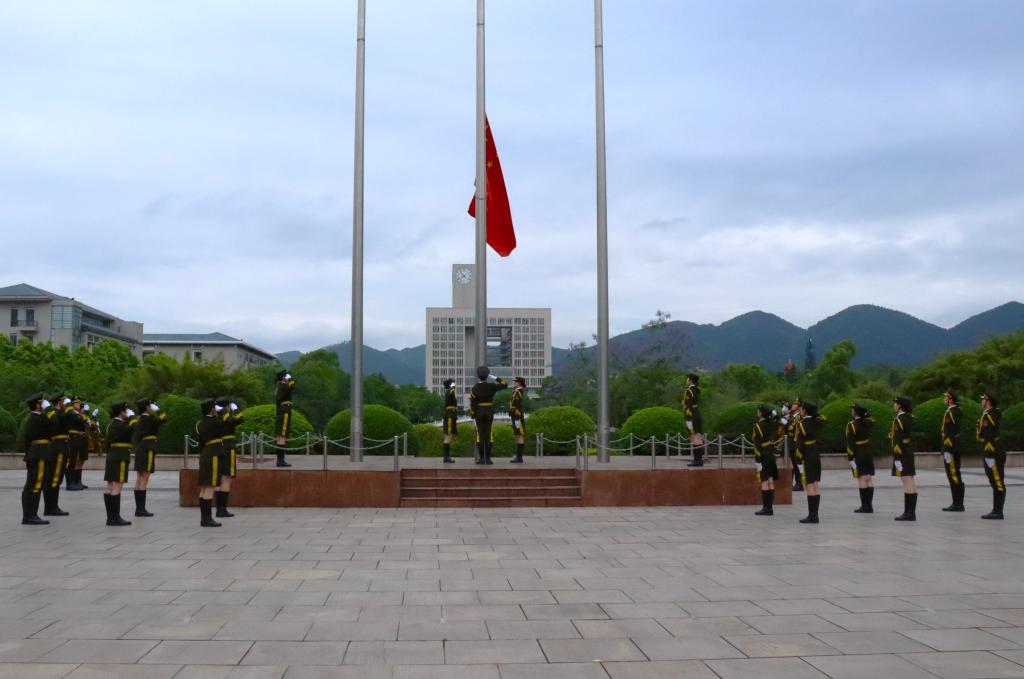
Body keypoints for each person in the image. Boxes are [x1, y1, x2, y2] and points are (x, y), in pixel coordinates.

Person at [132, 398, 166, 517]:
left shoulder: (139, 419)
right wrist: (160, 410)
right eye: (150, 406)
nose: (151, 408)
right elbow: (163, 418)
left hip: (140, 449)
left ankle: (139, 509)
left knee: (139, 479)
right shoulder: (150, 419)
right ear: (146, 408)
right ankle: (141, 509)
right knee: (144, 479)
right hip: (148, 449)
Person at [20, 394, 51, 525]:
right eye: (41, 403)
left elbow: (26, 441)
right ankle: (31, 515)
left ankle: (29, 515)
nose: (43, 405)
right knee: (36, 485)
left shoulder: (32, 418)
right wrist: (49, 410)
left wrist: (28, 456)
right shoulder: (38, 418)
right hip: (39, 454)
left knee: (31, 485)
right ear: (37, 405)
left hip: (35, 453)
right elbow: (53, 426)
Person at [795, 399, 826, 524]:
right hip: (815, 451)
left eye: (801, 408)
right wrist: (814, 413)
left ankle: (812, 516)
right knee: (815, 484)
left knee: (809, 485)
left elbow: (800, 444)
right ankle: (815, 514)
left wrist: (798, 460)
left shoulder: (802, 424)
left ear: (805, 410)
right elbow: (824, 419)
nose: (800, 410)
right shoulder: (817, 421)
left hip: (807, 453)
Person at [103, 402, 134, 526]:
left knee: (110, 485)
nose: (127, 413)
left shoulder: (111, 424)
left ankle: (110, 518)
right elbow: (135, 428)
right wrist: (132, 417)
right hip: (120, 456)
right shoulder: (122, 425)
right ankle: (115, 517)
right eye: (125, 411)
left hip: (111, 456)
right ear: (121, 412)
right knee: (117, 485)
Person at [469, 365, 507, 465]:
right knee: (488, 434)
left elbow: (473, 404)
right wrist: (494, 377)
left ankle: (482, 458)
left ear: (478, 376)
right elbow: (505, 384)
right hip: (489, 410)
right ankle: (488, 458)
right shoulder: (492, 386)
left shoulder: (474, 388)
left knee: (480, 435)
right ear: (487, 376)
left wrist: (473, 415)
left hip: (479, 412)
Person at [196, 399, 225, 527]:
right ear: (211, 409)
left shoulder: (201, 422)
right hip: (213, 455)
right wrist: (223, 411)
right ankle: (207, 519)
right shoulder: (213, 422)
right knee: (210, 487)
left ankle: (204, 519)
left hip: (205, 454)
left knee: (204, 487)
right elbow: (225, 423)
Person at [978, 391, 1005, 520]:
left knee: (997, 481)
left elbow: (989, 436)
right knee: (995, 481)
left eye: (983, 399)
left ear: (988, 401)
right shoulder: (991, 414)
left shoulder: (989, 416)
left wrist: (989, 454)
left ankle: (998, 511)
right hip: (994, 451)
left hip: (992, 452)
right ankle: (996, 510)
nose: (982, 401)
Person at [43, 393, 71, 517]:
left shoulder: (57, 414)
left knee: (54, 478)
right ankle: (51, 507)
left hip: (58, 447)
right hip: (58, 448)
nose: (66, 404)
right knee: (55, 478)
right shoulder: (55, 415)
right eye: (64, 401)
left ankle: (51, 507)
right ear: (59, 402)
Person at [890, 396, 917, 522]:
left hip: (902, 452)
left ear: (900, 405)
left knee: (906, 479)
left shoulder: (900, 419)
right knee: (910, 479)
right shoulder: (909, 417)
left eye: (895, 403)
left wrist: (897, 454)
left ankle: (909, 513)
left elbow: (897, 438)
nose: (894, 405)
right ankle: (910, 512)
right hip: (908, 450)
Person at [215, 397, 243, 518]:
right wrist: (235, 409)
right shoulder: (228, 419)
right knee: (226, 477)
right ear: (227, 407)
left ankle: (218, 508)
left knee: (219, 478)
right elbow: (240, 418)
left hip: (217, 447)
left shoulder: (215, 419)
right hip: (228, 447)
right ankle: (222, 509)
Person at [846, 403, 876, 513]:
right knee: (869, 478)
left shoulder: (852, 425)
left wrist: (850, 457)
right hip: (868, 451)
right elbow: (872, 419)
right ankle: (869, 506)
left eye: (853, 410)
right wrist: (865, 413)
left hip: (859, 452)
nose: (851, 411)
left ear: (855, 412)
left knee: (862, 478)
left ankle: (865, 506)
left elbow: (850, 443)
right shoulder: (868, 421)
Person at [941, 389, 966, 512]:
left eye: (946, 397)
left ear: (950, 399)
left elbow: (949, 431)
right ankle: (957, 503)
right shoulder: (954, 411)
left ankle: (958, 504)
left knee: (953, 474)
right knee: (954, 474)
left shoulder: (952, 412)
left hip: (951, 448)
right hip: (953, 446)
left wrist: (947, 448)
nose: (944, 399)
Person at [752, 405, 779, 516]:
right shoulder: (773, 423)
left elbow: (757, 444)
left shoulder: (758, 425)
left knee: (764, 481)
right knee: (770, 481)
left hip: (763, 454)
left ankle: (766, 508)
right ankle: (770, 507)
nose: (757, 412)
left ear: (761, 413)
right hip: (771, 453)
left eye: (759, 411)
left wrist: (757, 460)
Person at [65, 397, 89, 491]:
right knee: (72, 461)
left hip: (80, 438)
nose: (79, 405)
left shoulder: (78, 414)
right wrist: (85, 421)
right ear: (72, 404)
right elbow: (81, 422)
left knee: (79, 460)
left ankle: (77, 481)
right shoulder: (71, 413)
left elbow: (85, 424)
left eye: (79, 403)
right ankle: (70, 483)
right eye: (77, 403)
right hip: (73, 438)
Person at [683, 374, 705, 467]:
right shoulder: (696, 389)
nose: (686, 380)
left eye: (687, 378)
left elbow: (688, 405)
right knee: (697, 437)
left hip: (692, 415)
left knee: (695, 437)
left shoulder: (689, 390)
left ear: (690, 380)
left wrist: (687, 417)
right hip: (696, 413)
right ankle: (698, 459)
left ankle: (697, 460)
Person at [274, 369, 295, 467]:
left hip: (281, 410)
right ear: (283, 377)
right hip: (285, 411)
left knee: (280, 436)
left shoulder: (280, 386)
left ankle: (280, 460)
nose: (287, 376)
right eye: (285, 375)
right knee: (282, 436)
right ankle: (280, 461)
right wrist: (290, 379)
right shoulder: (283, 385)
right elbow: (292, 386)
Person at [782, 402, 803, 491]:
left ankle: (799, 483)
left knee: (796, 464)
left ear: (798, 407)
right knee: (793, 464)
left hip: (795, 443)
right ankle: (790, 482)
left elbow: (793, 428)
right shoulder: (791, 416)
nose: (793, 405)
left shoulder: (798, 416)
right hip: (790, 442)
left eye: (795, 404)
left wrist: (786, 423)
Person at [509, 376, 527, 464]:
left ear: (519, 383)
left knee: (520, 436)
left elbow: (517, 405)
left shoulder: (517, 392)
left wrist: (516, 418)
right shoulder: (517, 391)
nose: (514, 383)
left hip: (517, 417)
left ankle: (519, 457)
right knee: (518, 435)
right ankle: (518, 457)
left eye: (515, 381)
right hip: (516, 416)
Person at [441, 378, 458, 464]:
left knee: (449, 436)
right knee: (448, 435)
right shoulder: (450, 392)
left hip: (451, 414)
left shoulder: (449, 392)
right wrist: (452, 386)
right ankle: (446, 457)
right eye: (453, 384)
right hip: (450, 415)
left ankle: (447, 457)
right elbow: (452, 390)